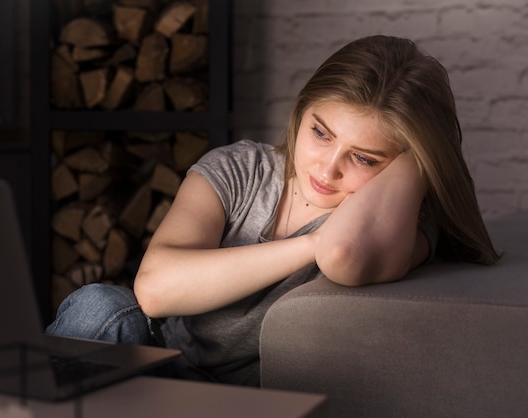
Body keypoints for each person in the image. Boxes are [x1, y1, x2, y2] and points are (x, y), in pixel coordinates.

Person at [46, 35, 500, 386]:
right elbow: (156, 290)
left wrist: (424, 157)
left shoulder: (395, 225)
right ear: (301, 112)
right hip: (166, 363)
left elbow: (343, 255)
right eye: (321, 133)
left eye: (364, 158)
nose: (328, 167)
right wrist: (309, 244)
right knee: (99, 306)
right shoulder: (242, 167)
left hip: (254, 397)